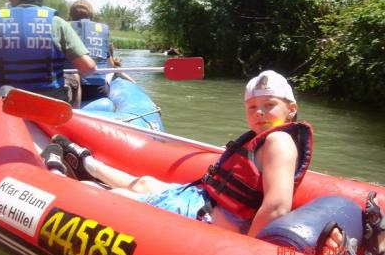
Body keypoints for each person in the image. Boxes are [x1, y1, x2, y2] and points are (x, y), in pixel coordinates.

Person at [41, 69, 313, 237]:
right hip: (202, 199)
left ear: (291, 109)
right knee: (145, 182)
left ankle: (64, 177)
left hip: (206, 218)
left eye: (269, 104)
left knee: (101, 192)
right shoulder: (266, 139)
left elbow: (277, 207)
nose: (260, 112)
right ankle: (86, 161)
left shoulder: (279, 141)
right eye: (252, 107)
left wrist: (244, 249)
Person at [0, 0, 96, 108]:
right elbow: (89, 67)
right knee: (75, 79)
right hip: (48, 104)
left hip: (5, 103)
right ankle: (74, 116)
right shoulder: (57, 22)